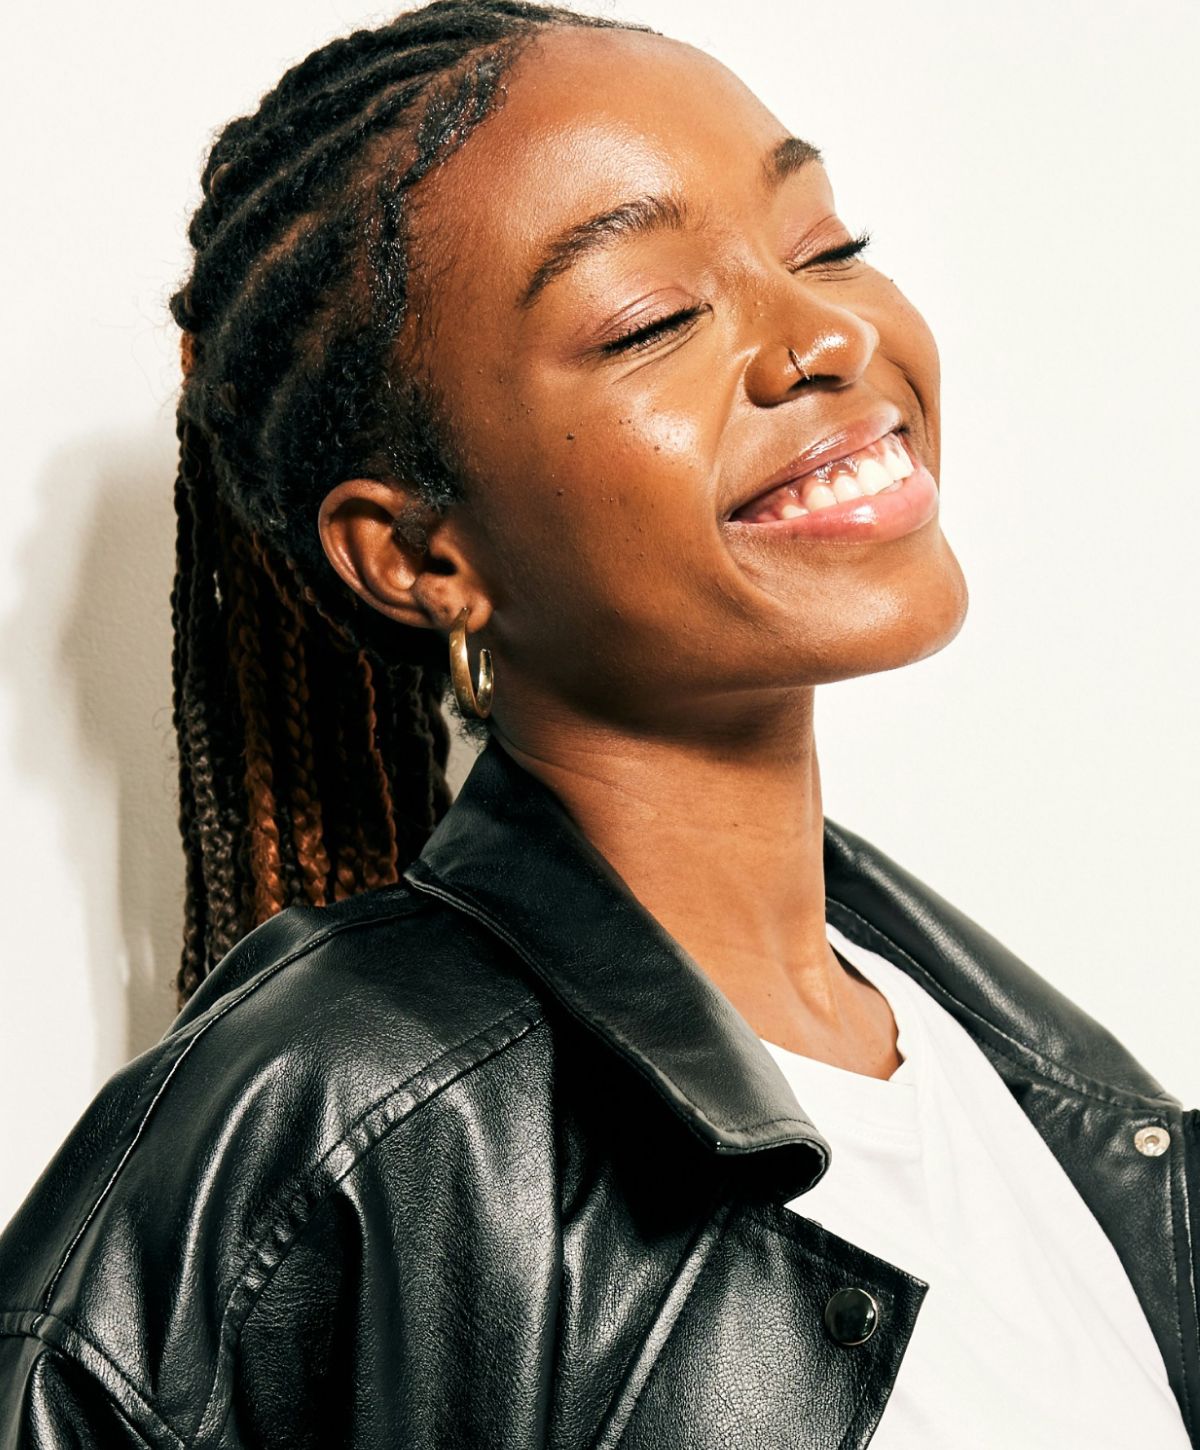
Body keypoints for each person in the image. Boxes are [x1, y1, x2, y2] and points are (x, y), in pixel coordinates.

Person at [0, 1, 1195, 1444]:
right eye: (655, 317)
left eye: (826, 245)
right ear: (418, 555)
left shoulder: (1034, 1082)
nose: (826, 333)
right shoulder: (337, 1116)